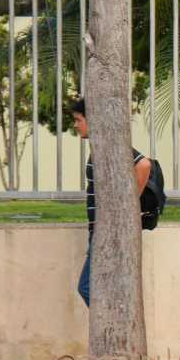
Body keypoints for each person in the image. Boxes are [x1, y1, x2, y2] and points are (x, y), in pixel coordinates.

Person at [71, 98, 153, 307]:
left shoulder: (110, 145)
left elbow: (143, 165)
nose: (76, 125)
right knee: (103, 287)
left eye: (78, 120)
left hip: (106, 231)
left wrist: (129, 206)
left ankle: (111, 324)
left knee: (87, 287)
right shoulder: (101, 147)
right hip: (99, 230)